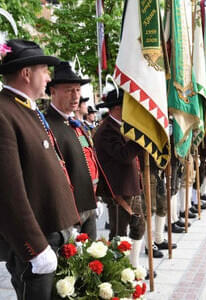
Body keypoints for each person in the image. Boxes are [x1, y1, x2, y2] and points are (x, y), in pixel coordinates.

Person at [0, 39, 80, 300]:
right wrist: (33, 246)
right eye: (44, 70)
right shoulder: (4, 112)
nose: (48, 77)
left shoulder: (25, 109)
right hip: (36, 240)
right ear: (26, 73)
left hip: (52, 230)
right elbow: (8, 190)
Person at [93, 88, 146, 270]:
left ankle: (133, 265)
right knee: (119, 234)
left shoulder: (119, 126)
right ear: (117, 108)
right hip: (117, 190)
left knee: (138, 226)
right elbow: (123, 155)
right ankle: (118, 270)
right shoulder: (107, 130)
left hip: (129, 187)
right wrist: (141, 139)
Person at [46, 61, 99, 239]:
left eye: (78, 90)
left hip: (89, 204)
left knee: (93, 261)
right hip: (68, 211)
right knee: (69, 262)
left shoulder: (77, 125)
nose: (75, 95)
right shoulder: (46, 126)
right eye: (69, 90)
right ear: (53, 91)